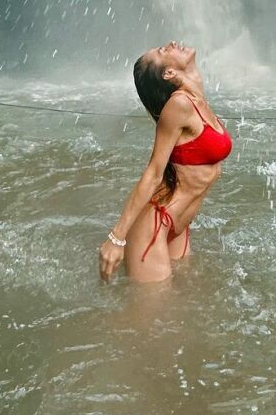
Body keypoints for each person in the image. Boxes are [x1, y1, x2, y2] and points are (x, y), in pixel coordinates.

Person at [98, 41, 232, 283]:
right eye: (162, 51)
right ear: (169, 73)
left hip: (179, 226)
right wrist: (117, 238)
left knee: (180, 311)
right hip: (155, 225)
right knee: (147, 316)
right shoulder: (179, 105)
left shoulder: (195, 99)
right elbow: (154, 172)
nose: (170, 44)